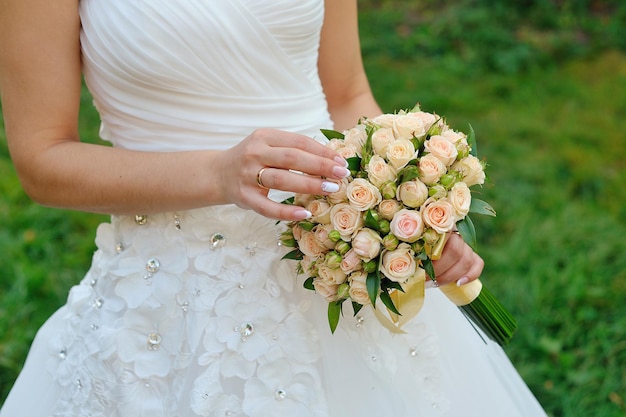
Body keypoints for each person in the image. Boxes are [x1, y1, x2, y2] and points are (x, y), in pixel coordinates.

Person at [0, 0, 548, 416]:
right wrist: (217, 173)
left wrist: (403, 209)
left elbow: (348, 91)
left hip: (338, 246)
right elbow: (41, 159)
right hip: (170, 287)